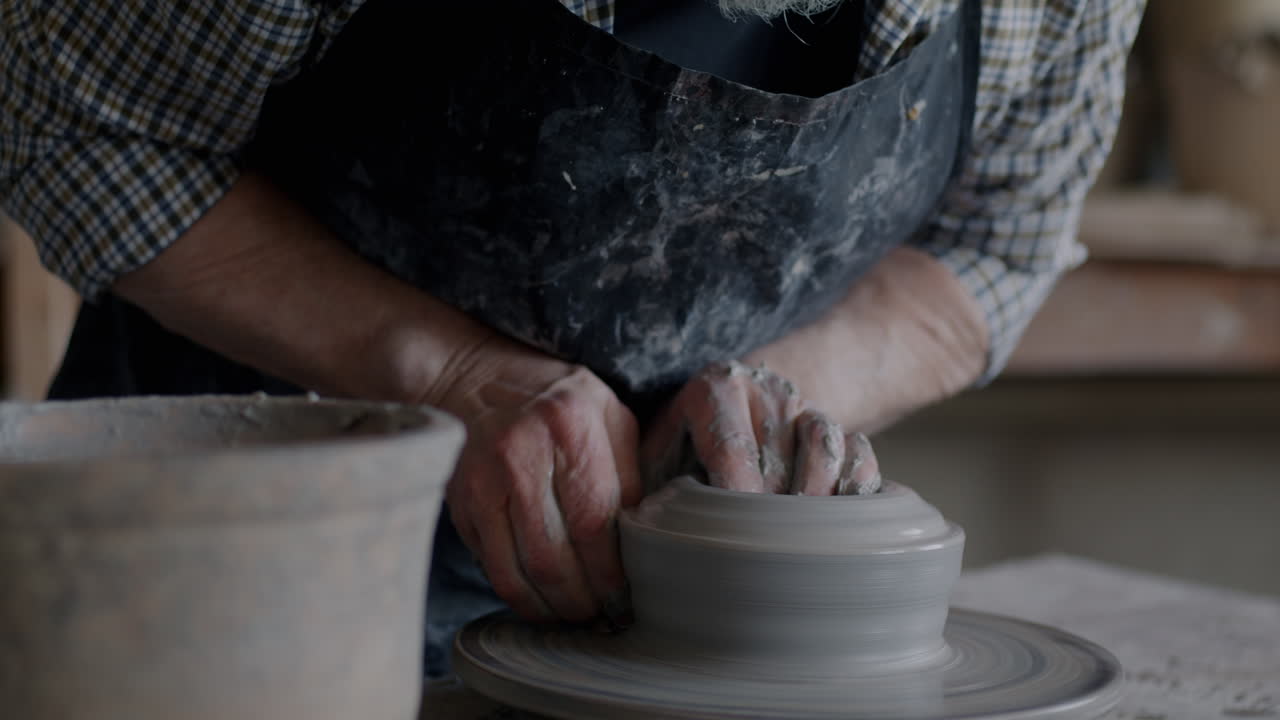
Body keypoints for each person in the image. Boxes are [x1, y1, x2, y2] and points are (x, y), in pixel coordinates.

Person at [0, 0, 1144, 675]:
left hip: (687, 635)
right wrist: (452, 374)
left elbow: (999, 243)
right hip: (236, 556)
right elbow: (61, 126)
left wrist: (767, 398)